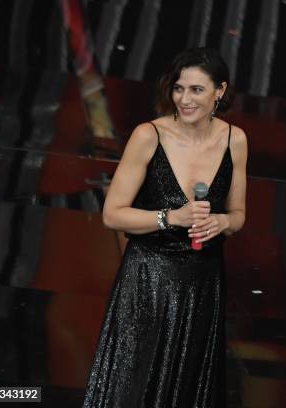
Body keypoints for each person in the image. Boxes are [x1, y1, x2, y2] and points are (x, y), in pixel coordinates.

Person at [83, 47, 248, 408]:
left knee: (188, 386)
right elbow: (113, 214)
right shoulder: (149, 135)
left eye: (196, 90)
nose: (184, 99)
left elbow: (238, 215)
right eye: (179, 89)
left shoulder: (235, 139)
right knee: (135, 384)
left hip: (202, 283)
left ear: (219, 91)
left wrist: (223, 222)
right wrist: (169, 218)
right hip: (148, 279)